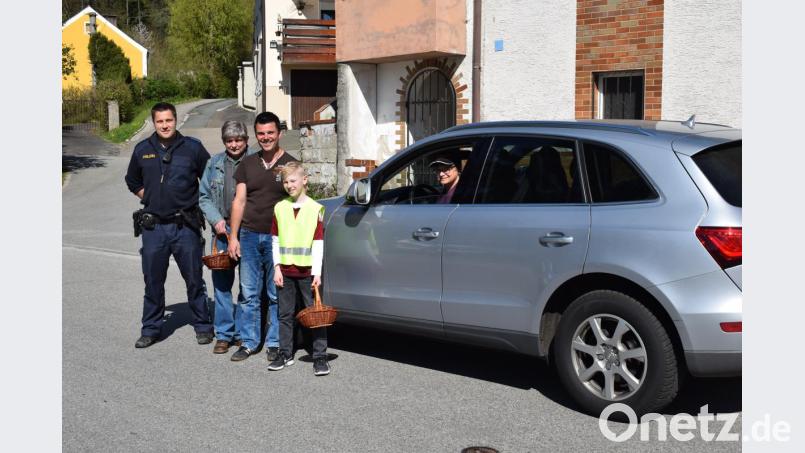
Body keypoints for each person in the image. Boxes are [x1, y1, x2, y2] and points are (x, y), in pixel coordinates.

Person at [125, 102, 213, 348]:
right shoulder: (142, 149)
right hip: (154, 228)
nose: (165, 125)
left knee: (194, 278)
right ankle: (151, 329)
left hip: (185, 225)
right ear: (154, 123)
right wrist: (150, 197)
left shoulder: (193, 148)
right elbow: (132, 181)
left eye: (169, 120)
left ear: (176, 120)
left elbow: (208, 181)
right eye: (160, 121)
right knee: (153, 280)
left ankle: (203, 325)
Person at [226, 112, 298, 362]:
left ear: (279, 133)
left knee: (275, 292)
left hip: (278, 239)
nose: (265, 137)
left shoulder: (290, 164)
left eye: (270, 133)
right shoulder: (247, 164)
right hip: (248, 235)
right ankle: (248, 342)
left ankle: (274, 342)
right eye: (261, 133)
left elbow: (298, 202)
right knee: (248, 292)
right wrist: (233, 236)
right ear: (255, 135)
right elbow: (239, 201)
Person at [199, 120, 256, 354]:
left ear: (246, 140)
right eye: (229, 140)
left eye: (238, 139)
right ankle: (224, 334)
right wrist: (217, 220)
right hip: (222, 233)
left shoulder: (255, 162)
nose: (234, 144)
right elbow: (203, 196)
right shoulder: (214, 164)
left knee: (247, 286)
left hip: (248, 232)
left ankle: (244, 333)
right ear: (224, 142)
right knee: (222, 287)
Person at [268, 162, 330, 375]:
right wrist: (276, 267)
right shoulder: (280, 207)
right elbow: (275, 240)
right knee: (284, 315)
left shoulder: (315, 208)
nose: (289, 185)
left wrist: (317, 272)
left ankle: (320, 357)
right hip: (284, 271)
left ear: (304, 180)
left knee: (315, 315)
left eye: (292, 180)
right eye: (285, 182)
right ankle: (285, 353)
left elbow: (319, 243)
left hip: (307, 274)